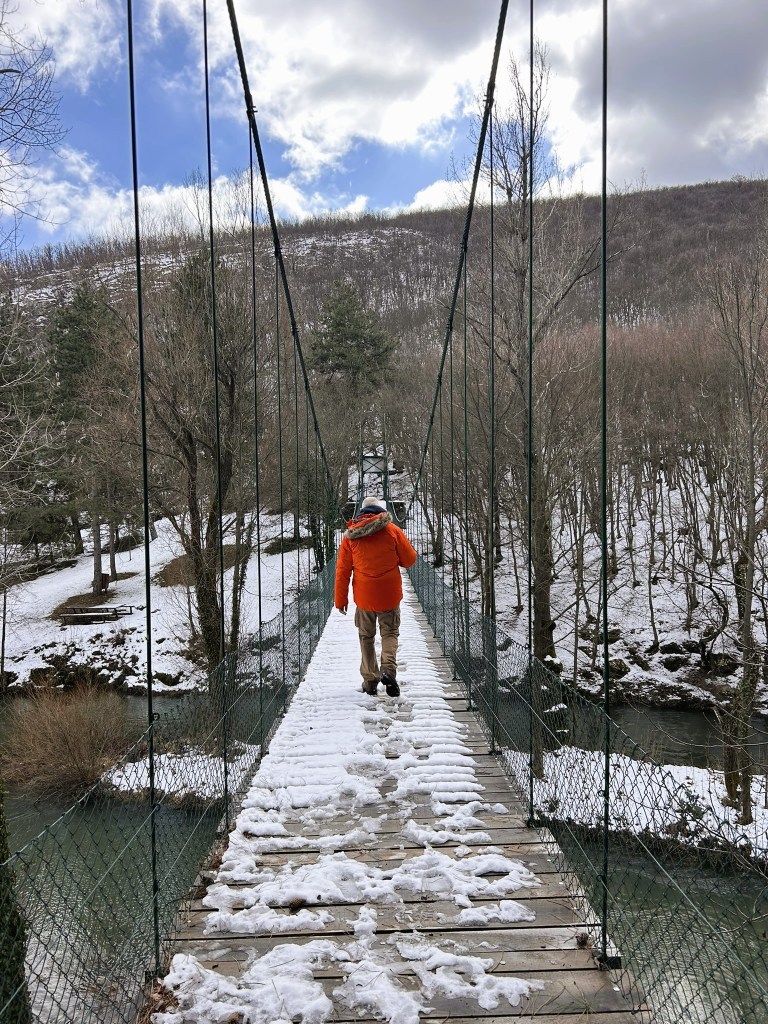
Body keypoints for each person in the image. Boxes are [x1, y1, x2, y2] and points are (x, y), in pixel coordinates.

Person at [334, 494, 417, 696]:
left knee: (366, 637)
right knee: (389, 633)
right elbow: (409, 560)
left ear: (361, 512)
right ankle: (388, 669)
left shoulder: (350, 536)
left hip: (364, 597)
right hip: (389, 594)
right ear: (380, 510)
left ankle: (370, 681)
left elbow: (343, 571)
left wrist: (341, 600)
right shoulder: (392, 530)